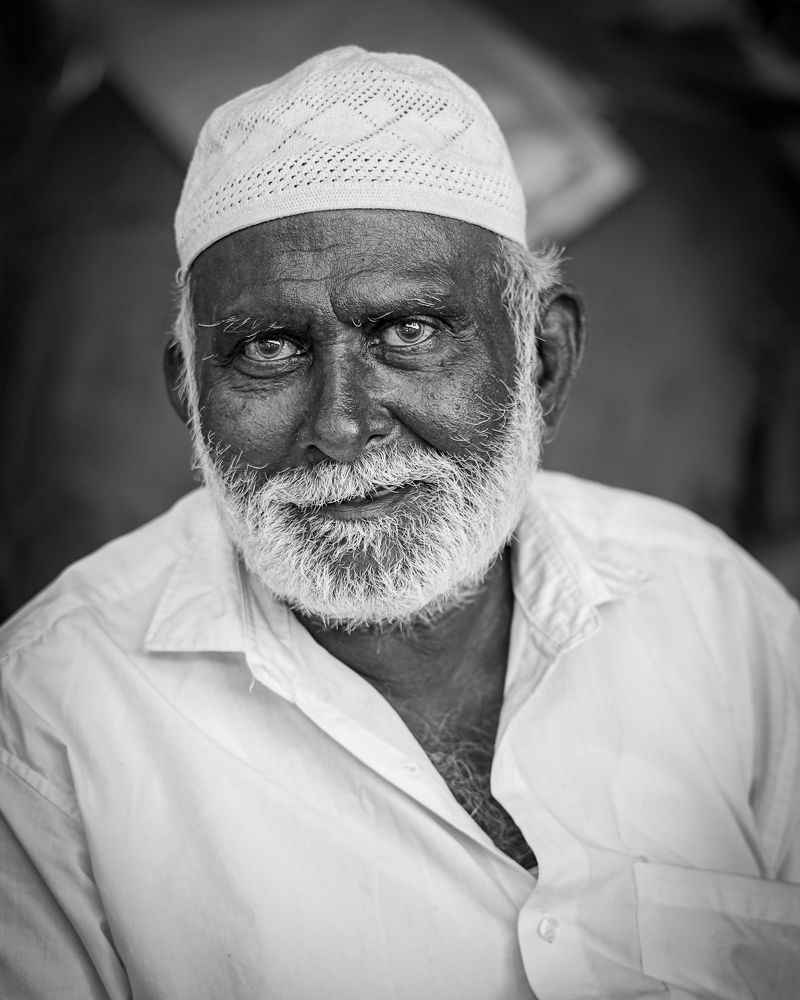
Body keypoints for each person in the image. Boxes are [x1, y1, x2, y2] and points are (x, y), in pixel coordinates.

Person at [0, 45, 798, 1000]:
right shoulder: (47, 717)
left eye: (409, 332)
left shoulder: (714, 610)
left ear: (543, 362)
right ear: (190, 396)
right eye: (268, 347)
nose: (341, 426)